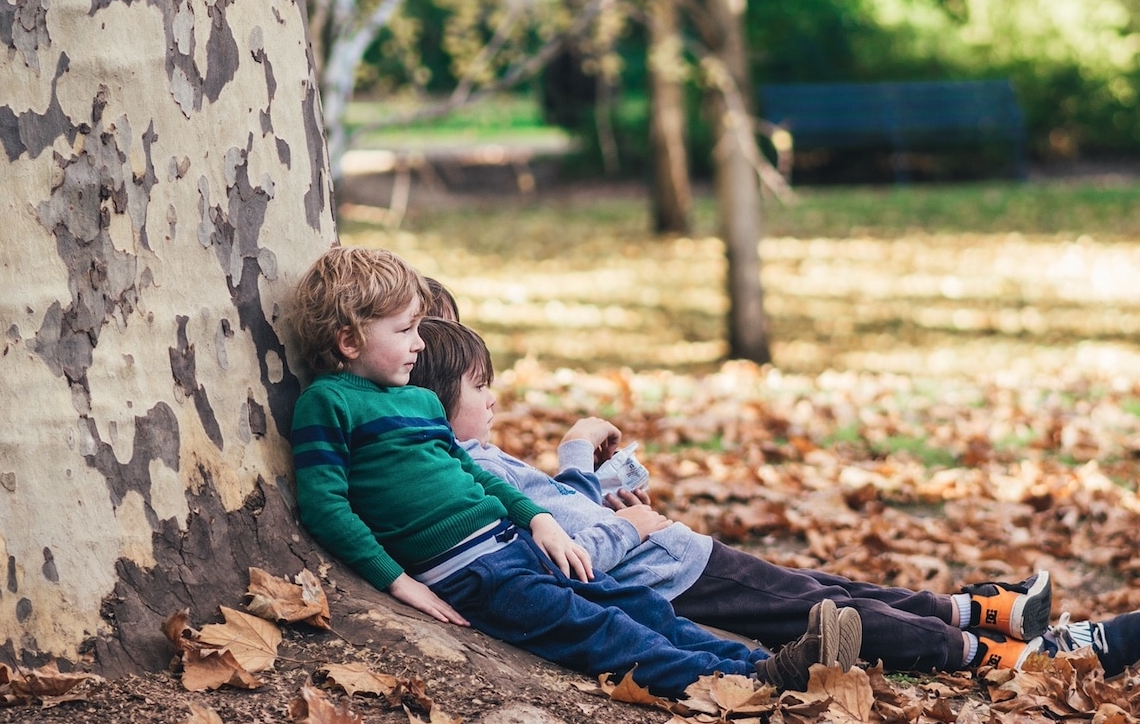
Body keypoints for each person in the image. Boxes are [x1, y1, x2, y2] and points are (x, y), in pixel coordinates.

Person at [407, 313, 1140, 681]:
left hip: (678, 556)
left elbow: (569, 517)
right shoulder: (465, 468)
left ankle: (985, 609)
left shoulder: (469, 455)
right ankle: (1020, 659)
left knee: (832, 588)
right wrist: (611, 500)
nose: (495, 399)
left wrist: (605, 487)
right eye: (481, 387)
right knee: (836, 614)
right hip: (670, 576)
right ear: (436, 399)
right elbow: (575, 549)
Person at [288, 245, 863, 698]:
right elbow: (326, 506)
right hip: (472, 574)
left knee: (637, 607)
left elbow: (475, 476)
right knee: (601, 633)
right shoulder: (330, 404)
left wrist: (538, 520)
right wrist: (397, 581)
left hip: (515, 543)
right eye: (405, 330)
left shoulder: (419, 402)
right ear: (348, 338)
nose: (419, 344)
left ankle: (770, 666)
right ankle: (740, 687)